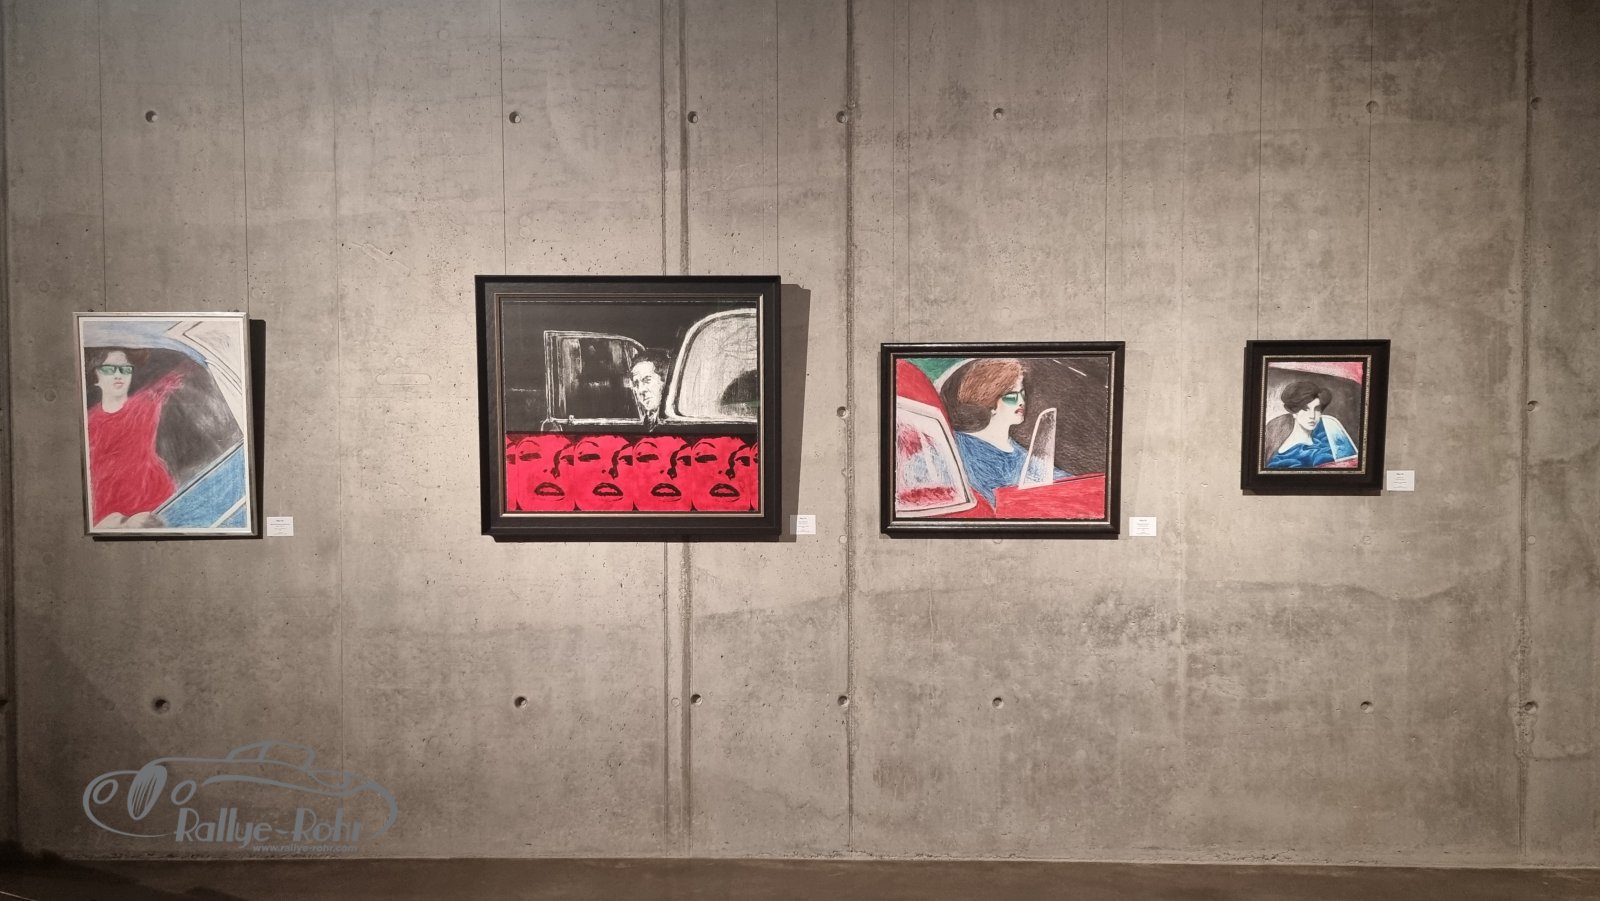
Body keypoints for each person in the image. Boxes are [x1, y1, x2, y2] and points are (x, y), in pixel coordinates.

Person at [941, 359, 1067, 507]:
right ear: (988, 399)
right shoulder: (958, 448)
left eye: (1022, 393)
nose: (1021, 401)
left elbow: (1062, 484)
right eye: (1011, 396)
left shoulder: (1021, 455)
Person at [84, 349, 187, 528]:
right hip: (109, 511)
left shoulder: (145, 402)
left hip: (158, 503)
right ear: (96, 376)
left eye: (125, 369)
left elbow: (177, 376)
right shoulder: (88, 423)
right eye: (110, 369)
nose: (118, 375)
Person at [1263, 379, 1359, 469]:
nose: (1312, 416)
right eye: (1305, 409)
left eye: (1316, 409)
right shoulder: (1284, 457)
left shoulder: (1328, 428)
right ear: (1294, 412)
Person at [628, 349, 672, 429]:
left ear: (663, 380)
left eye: (647, 380)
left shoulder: (672, 420)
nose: (641, 390)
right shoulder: (645, 422)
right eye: (636, 384)